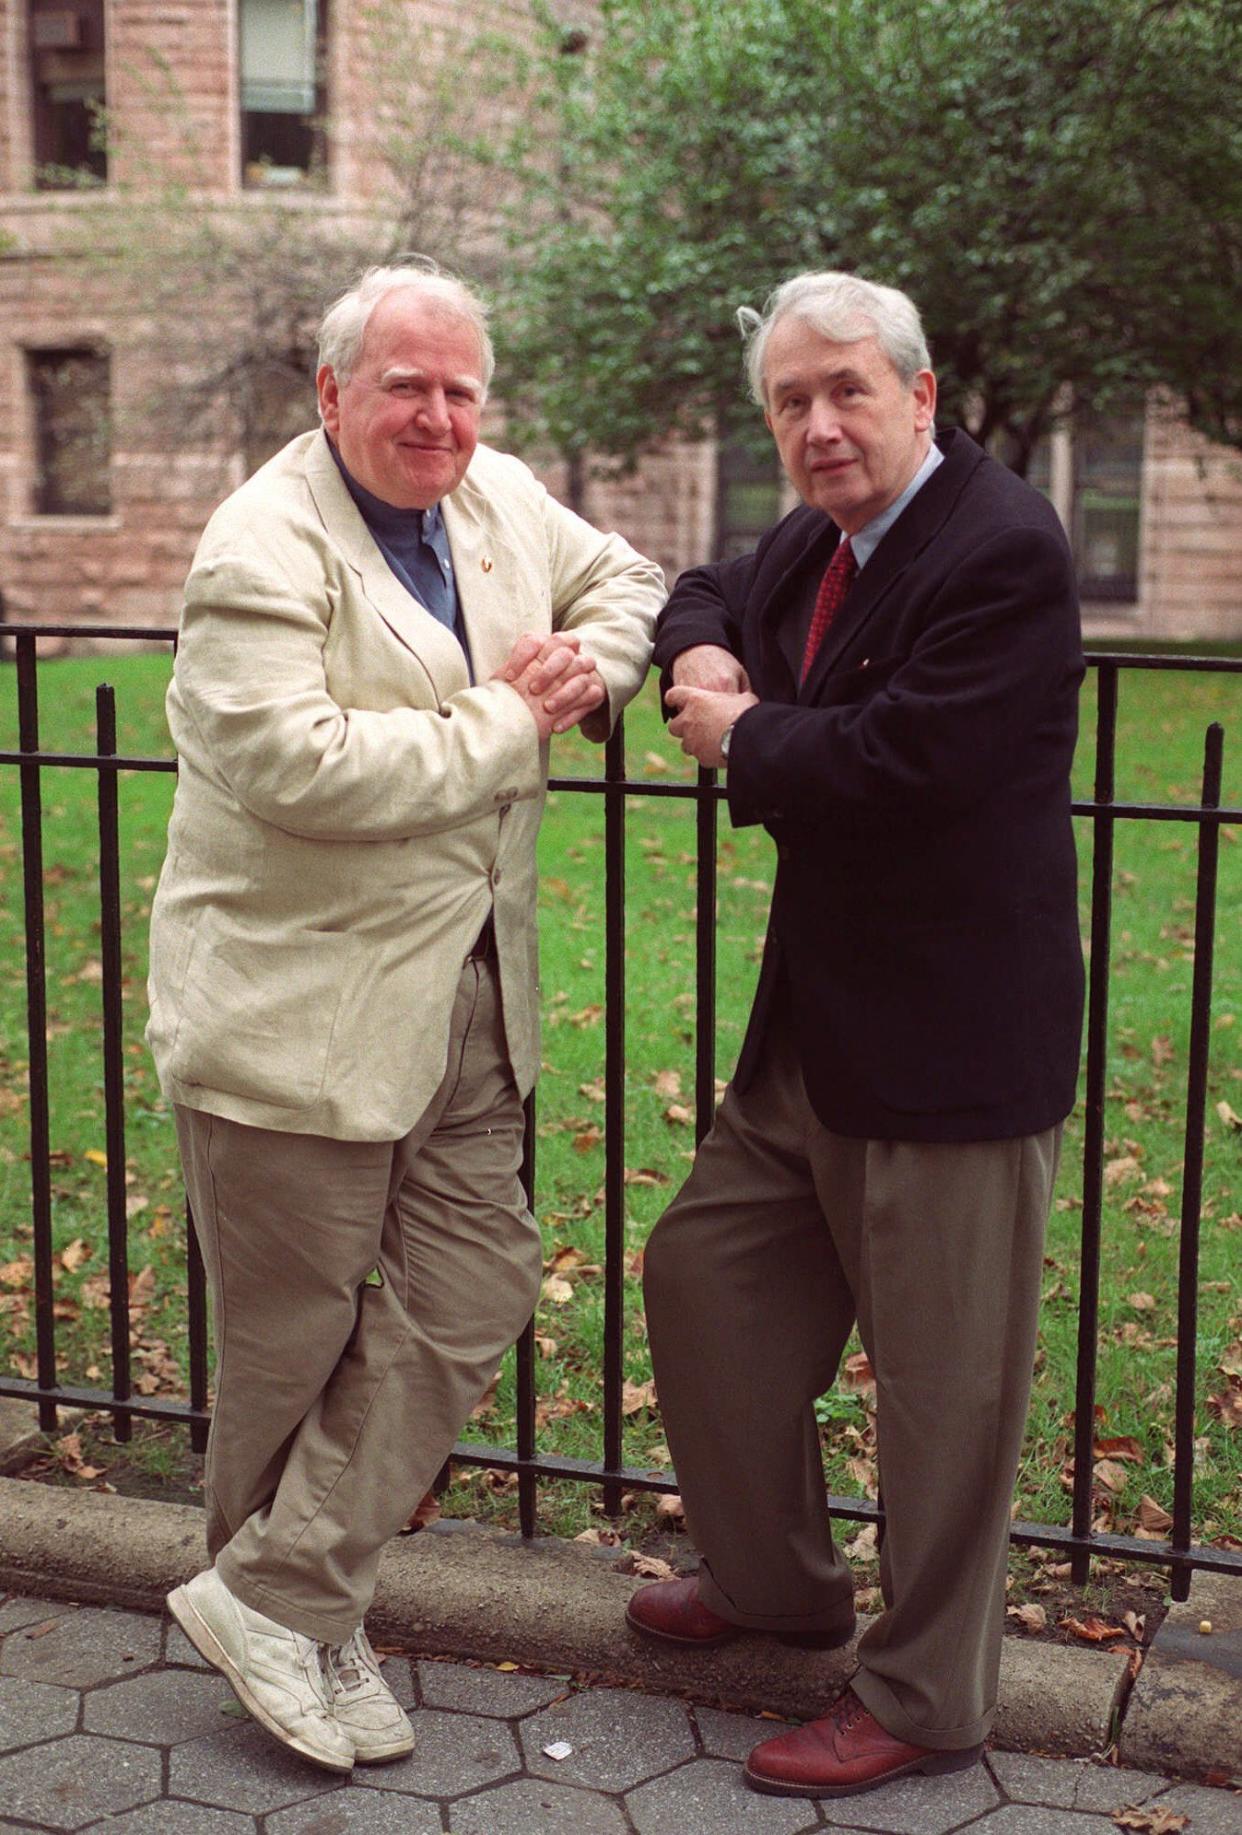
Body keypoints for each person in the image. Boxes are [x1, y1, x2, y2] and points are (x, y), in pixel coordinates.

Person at [146, 261, 660, 1773]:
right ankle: (309, 1622)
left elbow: (623, 580)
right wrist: (509, 720)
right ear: (331, 393)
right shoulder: (258, 546)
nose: (437, 416)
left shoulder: (495, 497)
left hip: (470, 1000)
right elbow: (308, 768)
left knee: (476, 1284)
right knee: (289, 1348)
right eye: (404, 386)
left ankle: (275, 1597)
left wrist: (586, 661)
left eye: (459, 388)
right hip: (294, 1017)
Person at [627, 271, 1084, 1801]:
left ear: (918, 396)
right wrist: (697, 660)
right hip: (811, 1037)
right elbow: (704, 588)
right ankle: (777, 1587)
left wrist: (745, 736)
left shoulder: (999, 548)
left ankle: (924, 1696)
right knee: (701, 1281)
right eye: (788, 402)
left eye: (844, 393)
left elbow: (912, 767)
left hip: (951, 1052)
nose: (817, 426)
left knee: (944, 1397)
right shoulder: (818, 543)